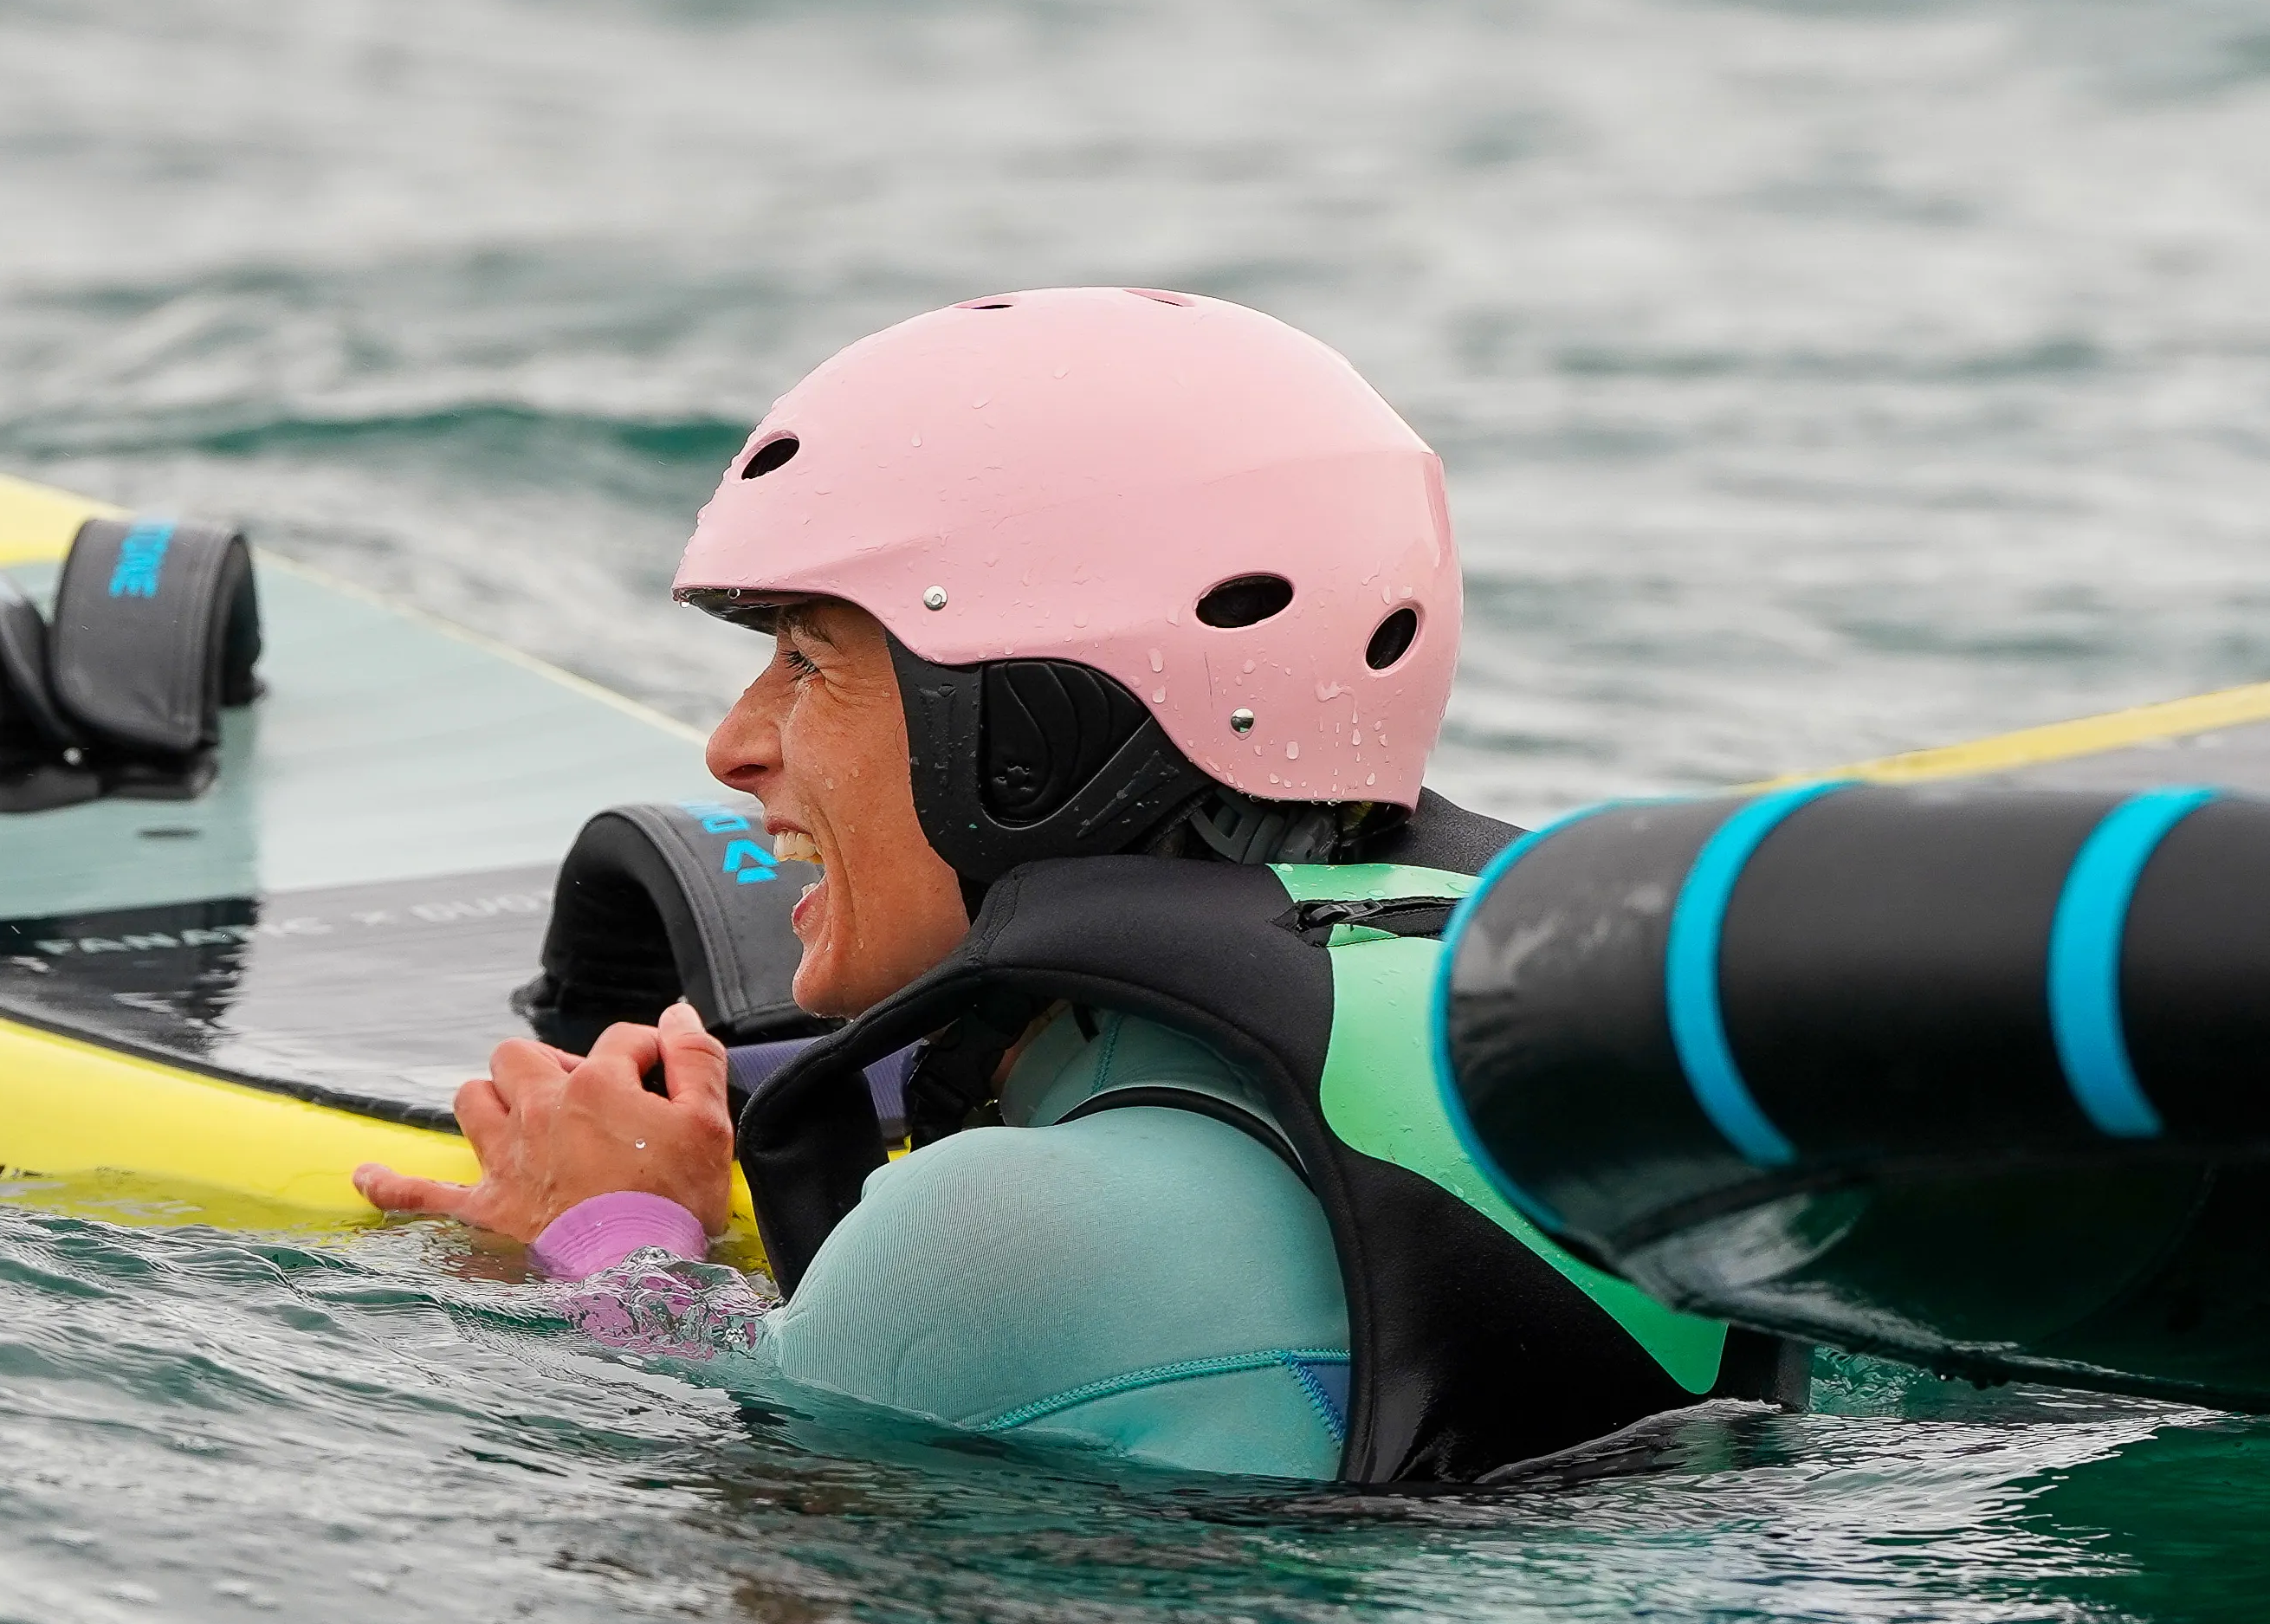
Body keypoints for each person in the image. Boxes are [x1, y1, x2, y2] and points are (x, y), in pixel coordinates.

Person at [357, 288, 1788, 1483]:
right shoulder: (1607, 1053)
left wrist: (602, 1250)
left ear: (1032, 740)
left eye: (807, 660)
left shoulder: (994, 1238)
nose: (733, 746)